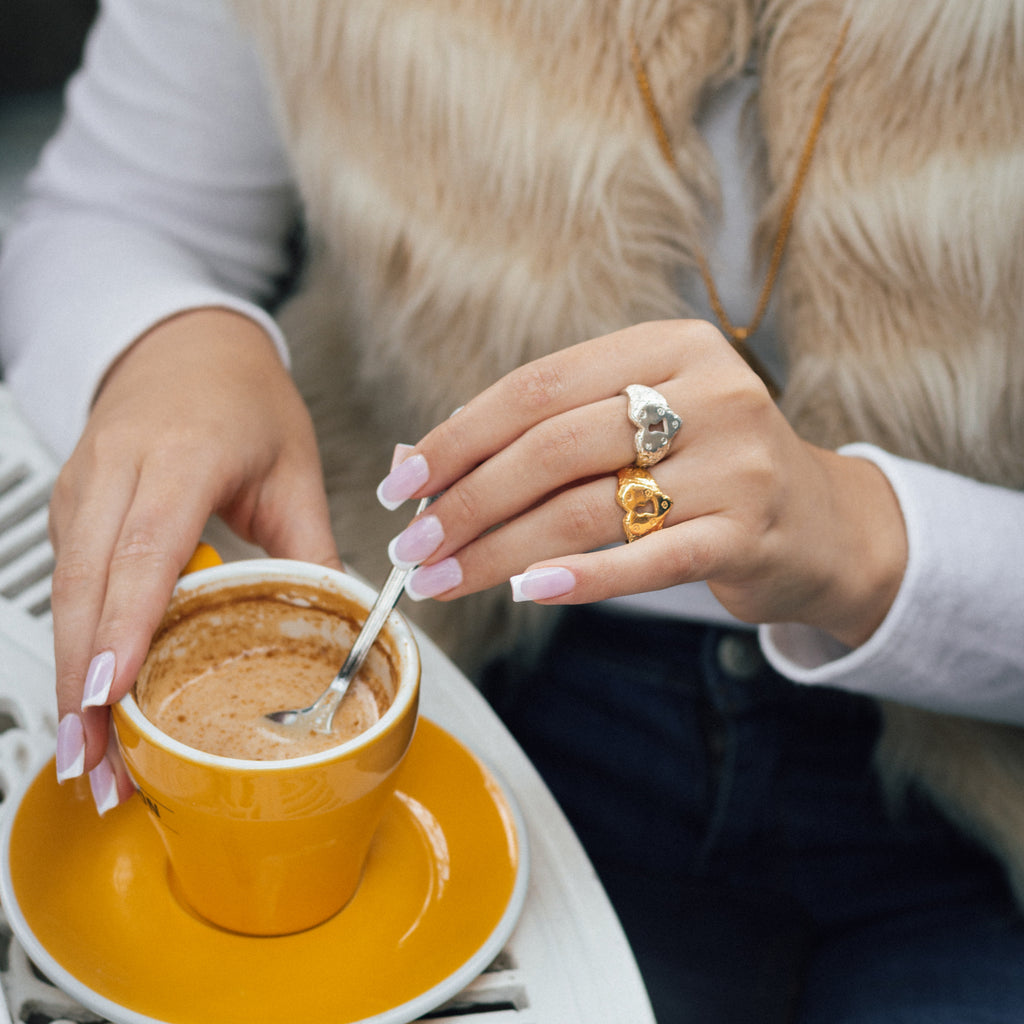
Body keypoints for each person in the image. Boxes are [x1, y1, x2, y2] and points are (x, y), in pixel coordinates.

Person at [2, 1, 1024, 1020]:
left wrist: (871, 542)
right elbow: (119, 209)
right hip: (497, 698)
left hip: (977, 776)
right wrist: (167, 339)